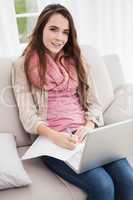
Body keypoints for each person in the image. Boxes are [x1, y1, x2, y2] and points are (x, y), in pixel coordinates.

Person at [11, 4, 133, 200]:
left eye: (65, 32)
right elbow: (28, 116)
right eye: (53, 29)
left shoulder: (77, 60)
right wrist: (55, 136)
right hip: (52, 141)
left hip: (85, 136)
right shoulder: (22, 65)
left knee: (128, 179)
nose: (59, 37)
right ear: (41, 28)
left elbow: (94, 103)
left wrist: (88, 125)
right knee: (102, 186)